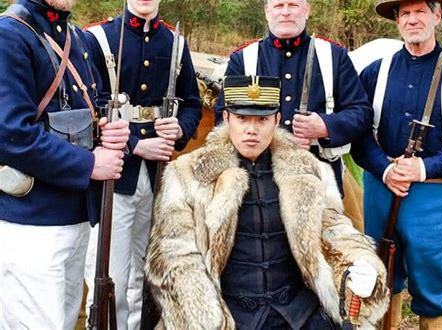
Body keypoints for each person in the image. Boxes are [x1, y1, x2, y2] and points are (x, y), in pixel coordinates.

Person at [145, 75, 389, 329]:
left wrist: (358, 264)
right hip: (228, 315)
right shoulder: (188, 174)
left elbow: (335, 231)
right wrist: (206, 318)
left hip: (300, 313)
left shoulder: (309, 170)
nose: (252, 130)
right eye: (242, 118)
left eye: (262, 119)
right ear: (227, 118)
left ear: (276, 119)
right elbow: (174, 256)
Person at [0, 0, 129, 329]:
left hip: (77, 215)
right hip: (32, 222)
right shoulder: (9, 37)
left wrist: (110, 131)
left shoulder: (81, 39)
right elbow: (11, 134)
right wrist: (90, 165)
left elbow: (93, 107)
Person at [84, 0, 202, 329]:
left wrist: (180, 128)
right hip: (114, 178)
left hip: (159, 179)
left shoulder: (176, 43)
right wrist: (137, 143)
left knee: (150, 273)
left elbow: (191, 103)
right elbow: (88, 110)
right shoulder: (97, 40)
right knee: (110, 272)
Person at [351, 0, 442, 329]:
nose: (412, 19)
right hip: (379, 187)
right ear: (397, 21)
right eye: (405, 13)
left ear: (438, 16)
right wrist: (386, 169)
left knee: (432, 290)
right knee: (379, 278)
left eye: (421, 11)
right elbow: (359, 134)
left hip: (432, 196)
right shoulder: (374, 72)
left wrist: (421, 168)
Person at [216, 0, 372, 194]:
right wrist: (272, 142)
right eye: (279, 6)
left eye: (293, 5)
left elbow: (361, 112)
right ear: (267, 12)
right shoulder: (243, 59)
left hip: (319, 176)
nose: (286, 12)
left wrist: (325, 126)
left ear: (306, 10)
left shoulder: (334, 56)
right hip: (258, 180)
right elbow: (224, 121)